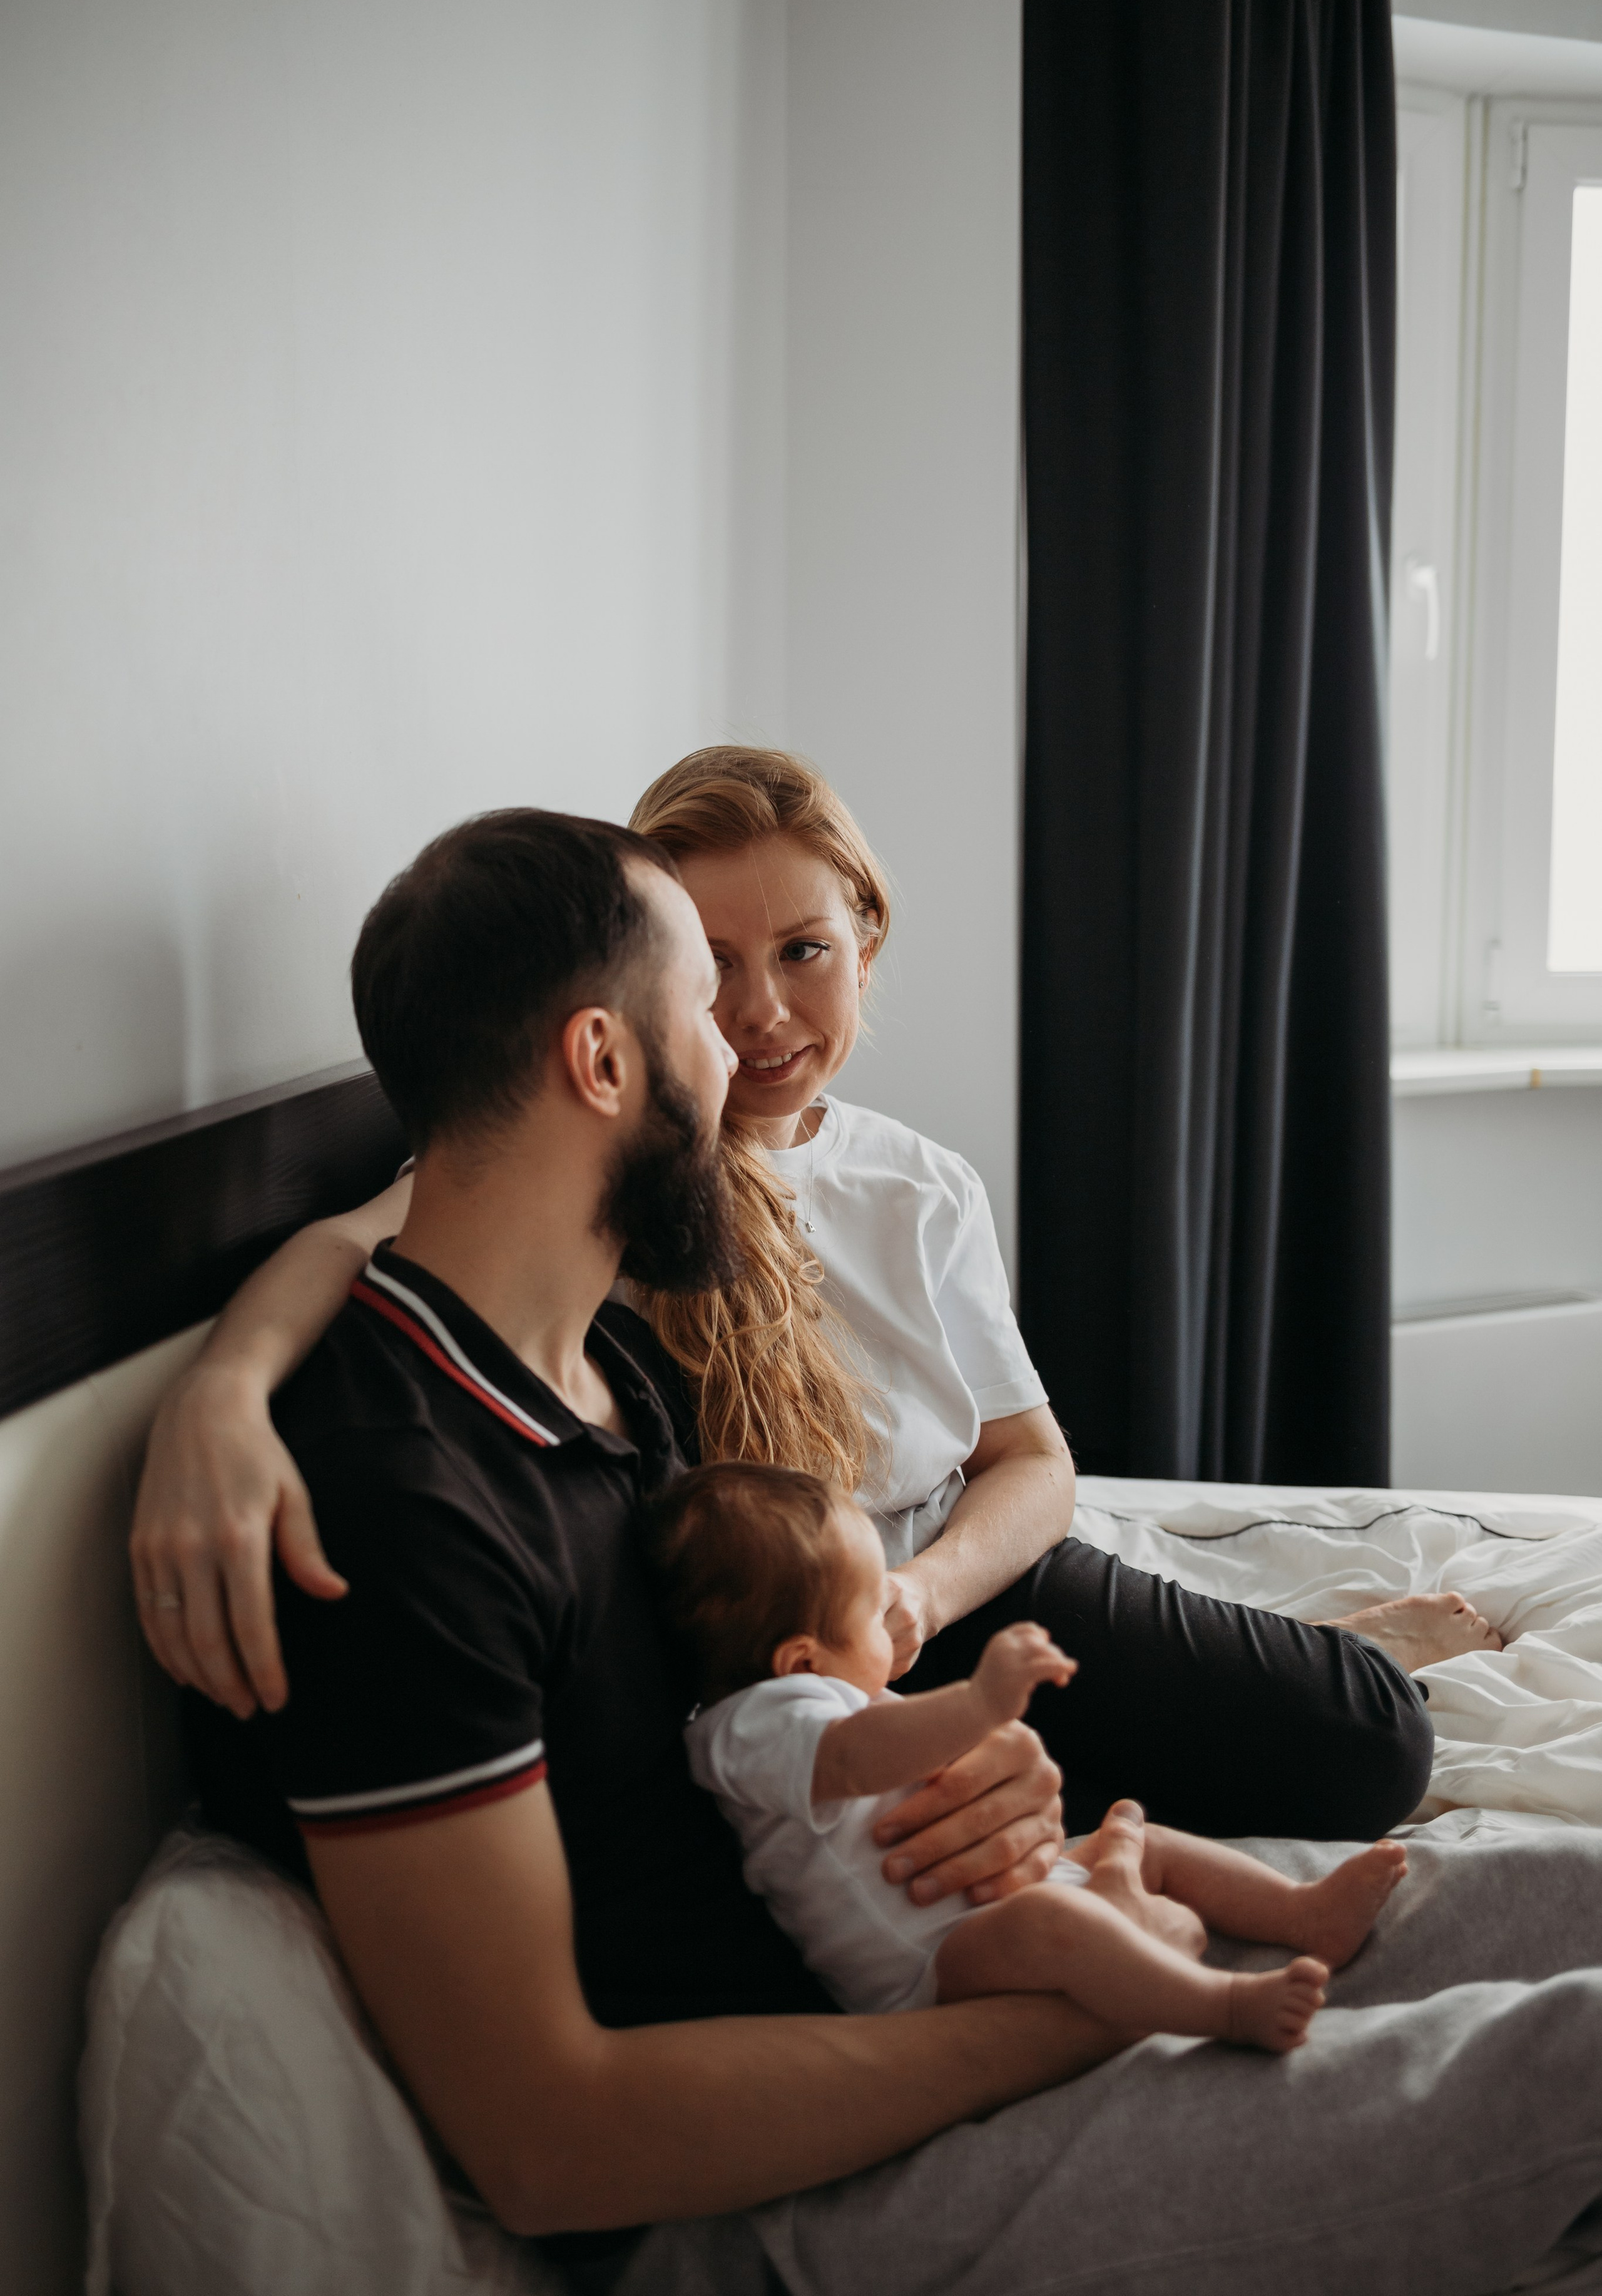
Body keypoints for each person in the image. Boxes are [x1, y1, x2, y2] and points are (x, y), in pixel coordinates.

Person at [133, 749, 1490, 1857]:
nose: (756, 1013)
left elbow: (1028, 1461)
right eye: (706, 966)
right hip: (781, 1632)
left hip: (934, 1577)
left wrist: (918, 1594)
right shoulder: (617, 1171)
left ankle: (1305, 1638)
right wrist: (222, 1389)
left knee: (1366, 1733)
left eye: (801, 953)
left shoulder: (915, 1185)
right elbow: (356, 1236)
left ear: (864, 943)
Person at [182, 806, 1121, 2257]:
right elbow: (552, 2140)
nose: (740, 1048)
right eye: (700, 1000)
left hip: (878, 1998)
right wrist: (1047, 2029)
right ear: (602, 1057)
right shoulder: (397, 1514)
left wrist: (927, 1781)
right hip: (782, 2189)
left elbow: (755, 1730)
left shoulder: (614, 1384)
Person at [656, 1459, 1409, 2051]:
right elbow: (859, 1758)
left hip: (999, 1896)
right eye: (868, 1615)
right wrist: (980, 1701)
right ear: (800, 1659)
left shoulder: (819, 1694)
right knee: (1049, 1925)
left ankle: (1302, 1914)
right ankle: (1225, 2006)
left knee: (1142, 1839)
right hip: (934, 1969)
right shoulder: (749, 1726)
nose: (892, 1628)